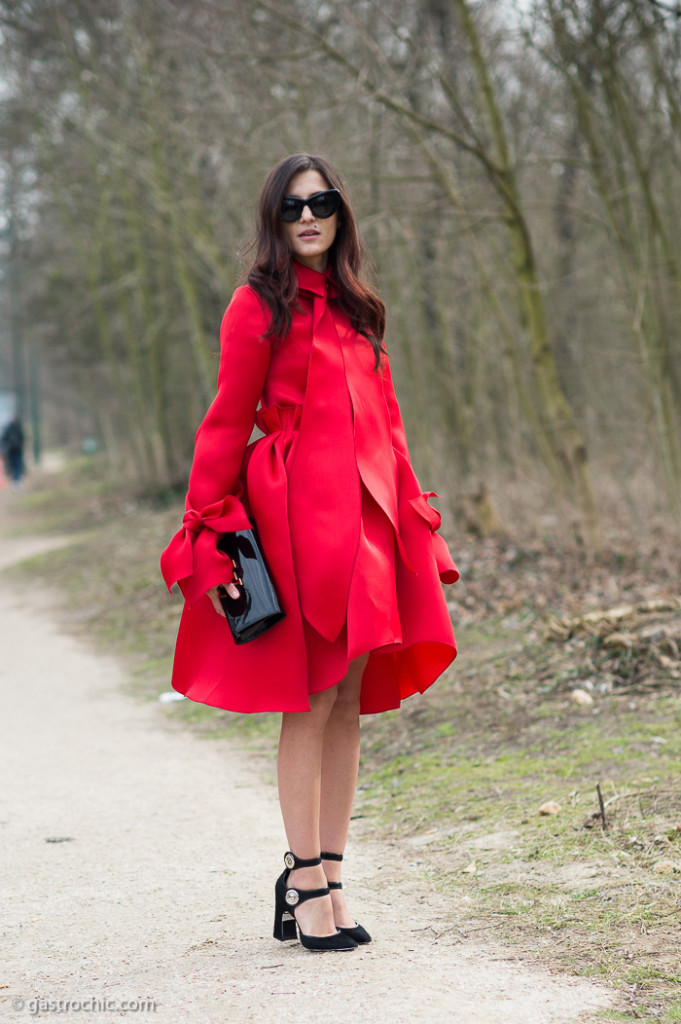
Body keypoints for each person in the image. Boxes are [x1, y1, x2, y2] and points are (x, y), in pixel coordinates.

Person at [161, 154, 458, 952]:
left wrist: (415, 513)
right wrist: (207, 528)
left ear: (339, 212)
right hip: (296, 514)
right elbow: (225, 422)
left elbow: (388, 424)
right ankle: (305, 882)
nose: (307, 216)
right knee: (313, 693)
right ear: (274, 217)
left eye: (320, 202)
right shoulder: (257, 305)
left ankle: (331, 875)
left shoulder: (361, 306)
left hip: (367, 517)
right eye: (292, 206)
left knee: (350, 695)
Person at [1, 415, 25, 491]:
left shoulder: (8, 429)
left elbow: (4, 439)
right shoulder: (18, 428)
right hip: (17, 450)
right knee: (17, 465)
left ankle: (15, 480)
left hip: (11, 451)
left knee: (14, 465)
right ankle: (16, 480)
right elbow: (22, 438)